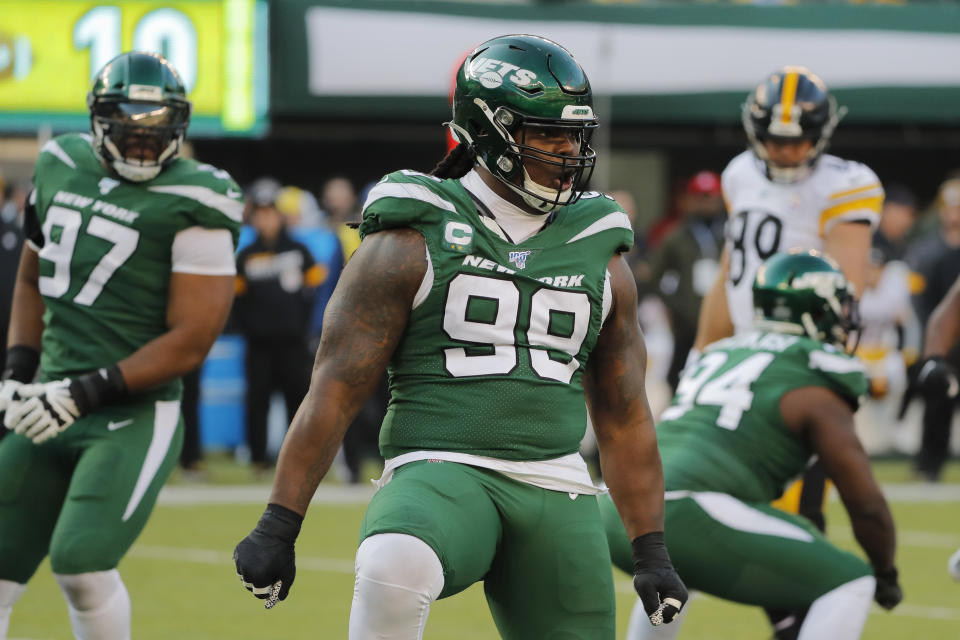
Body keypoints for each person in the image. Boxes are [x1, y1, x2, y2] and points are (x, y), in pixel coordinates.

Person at [234, 34, 686, 639]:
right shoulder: (410, 233)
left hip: (556, 481)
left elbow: (625, 413)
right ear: (488, 132)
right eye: (545, 133)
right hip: (442, 466)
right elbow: (336, 387)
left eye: (573, 134)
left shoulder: (600, 246)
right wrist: (279, 522)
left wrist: (650, 548)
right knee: (393, 561)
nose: (567, 150)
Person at [0, 51, 241, 639]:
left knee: (81, 563)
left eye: (155, 128)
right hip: (48, 401)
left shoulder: (200, 197)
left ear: (179, 126)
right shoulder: (58, 164)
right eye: (128, 127)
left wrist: (84, 393)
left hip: (131, 411)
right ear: (98, 121)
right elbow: (32, 278)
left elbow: (192, 340)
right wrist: (17, 372)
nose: (141, 141)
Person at [604, 249, 902, 640]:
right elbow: (865, 504)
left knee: (677, 570)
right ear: (818, 310)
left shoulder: (722, 352)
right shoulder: (813, 374)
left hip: (617, 507)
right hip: (688, 508)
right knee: (851, 581)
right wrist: (885, 572)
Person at [690, 67, 883, 636]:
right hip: (740, 364)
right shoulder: (739, 175)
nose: (787, 149)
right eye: (775, 137)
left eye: (798, 137)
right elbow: (733, 269)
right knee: (709, 511)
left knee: (795, 516)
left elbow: (842, 291)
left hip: (792, 370)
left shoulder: (845, 185)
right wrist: (704, 351)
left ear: (823, 133)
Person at [234, 180, 323, 474]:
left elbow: (314, 294)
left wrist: (301, 326)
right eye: (260, 214)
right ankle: (259, 460)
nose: (266, 219)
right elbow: (237, 300)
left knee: (296, 402)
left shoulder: (300, 249)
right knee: (256, 401)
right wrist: (251, 327)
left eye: (270, 213)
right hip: (258, 344)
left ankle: (296, 461)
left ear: (280, 215)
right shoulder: (245, 255)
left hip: (293, 342)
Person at [647, 171, 725, 390]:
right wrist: (676, 306)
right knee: (679, 376)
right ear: (691, 200)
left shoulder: (730, 233)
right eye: (701, 197)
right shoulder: (676, 236)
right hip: (687, 322)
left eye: (712, 197)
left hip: (722, 318)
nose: (707, 203)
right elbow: (655, 277)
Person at [905, 178, 960, 480]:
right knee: (937, 400)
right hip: (941, 338)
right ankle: (929, 463)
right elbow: (920, 301)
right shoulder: (927, 251)